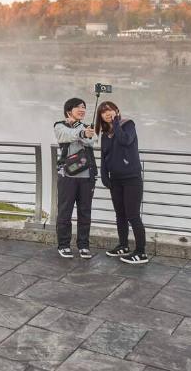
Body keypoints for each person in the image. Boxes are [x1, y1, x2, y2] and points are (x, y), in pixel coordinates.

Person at [95, 101, 147, 264]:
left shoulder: (128, 125)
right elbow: (104, 157)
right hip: (115, 180)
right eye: (103, 112)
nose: (107, 113)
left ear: (116, 111)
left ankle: (141, 252)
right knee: (120, 215)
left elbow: (125, 141)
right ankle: (123, 245)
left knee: (133, 215)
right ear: (100, 116)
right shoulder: (105, 134)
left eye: (110, 110)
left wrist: (116, 122)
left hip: (131, 178)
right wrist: (104, 175)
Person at [54, 98, 97, 259]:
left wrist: (84, 133)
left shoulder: (87, 127)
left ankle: (83, 246)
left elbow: (92, 141)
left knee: (85, 211)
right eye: (78, 107)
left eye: (84, 107)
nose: (82, 110)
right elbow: (63, 136)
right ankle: (64, 245)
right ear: (68, 110)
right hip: (67, 175)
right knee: (65, 210)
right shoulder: (59, 125)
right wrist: (81, 134)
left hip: (87, 176)